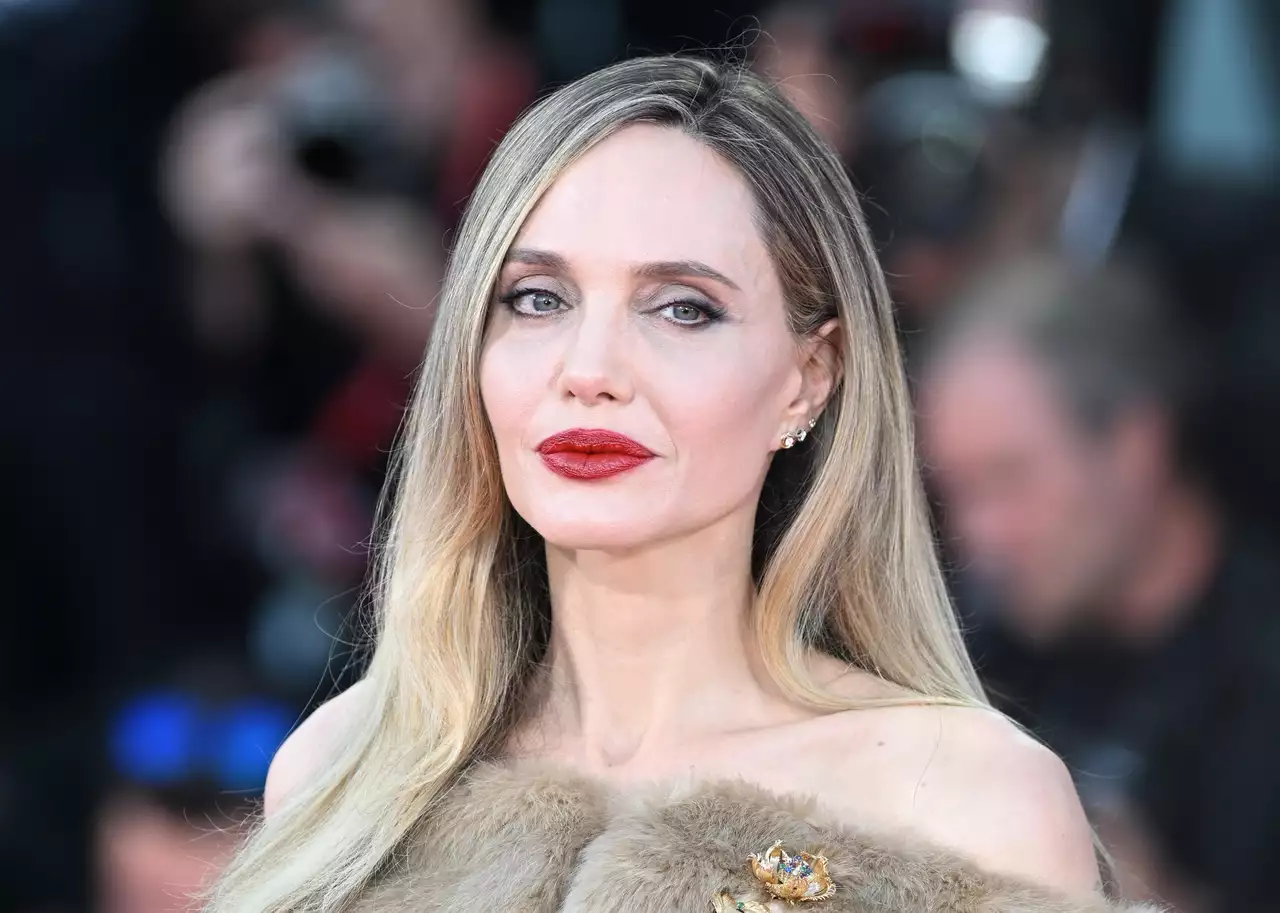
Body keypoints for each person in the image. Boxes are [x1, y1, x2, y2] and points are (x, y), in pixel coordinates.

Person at [203, 56, 1152, 913]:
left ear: (808, 377)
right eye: (538, 298)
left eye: (682, 309)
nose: (590, 369)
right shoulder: (341, 778)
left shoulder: (968, 805)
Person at [917, 252, 1280, 911]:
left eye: (1009, 478)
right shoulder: (984, 656)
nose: (981, 535)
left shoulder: (1257, 667)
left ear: (1136, 446)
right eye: (959, 494)